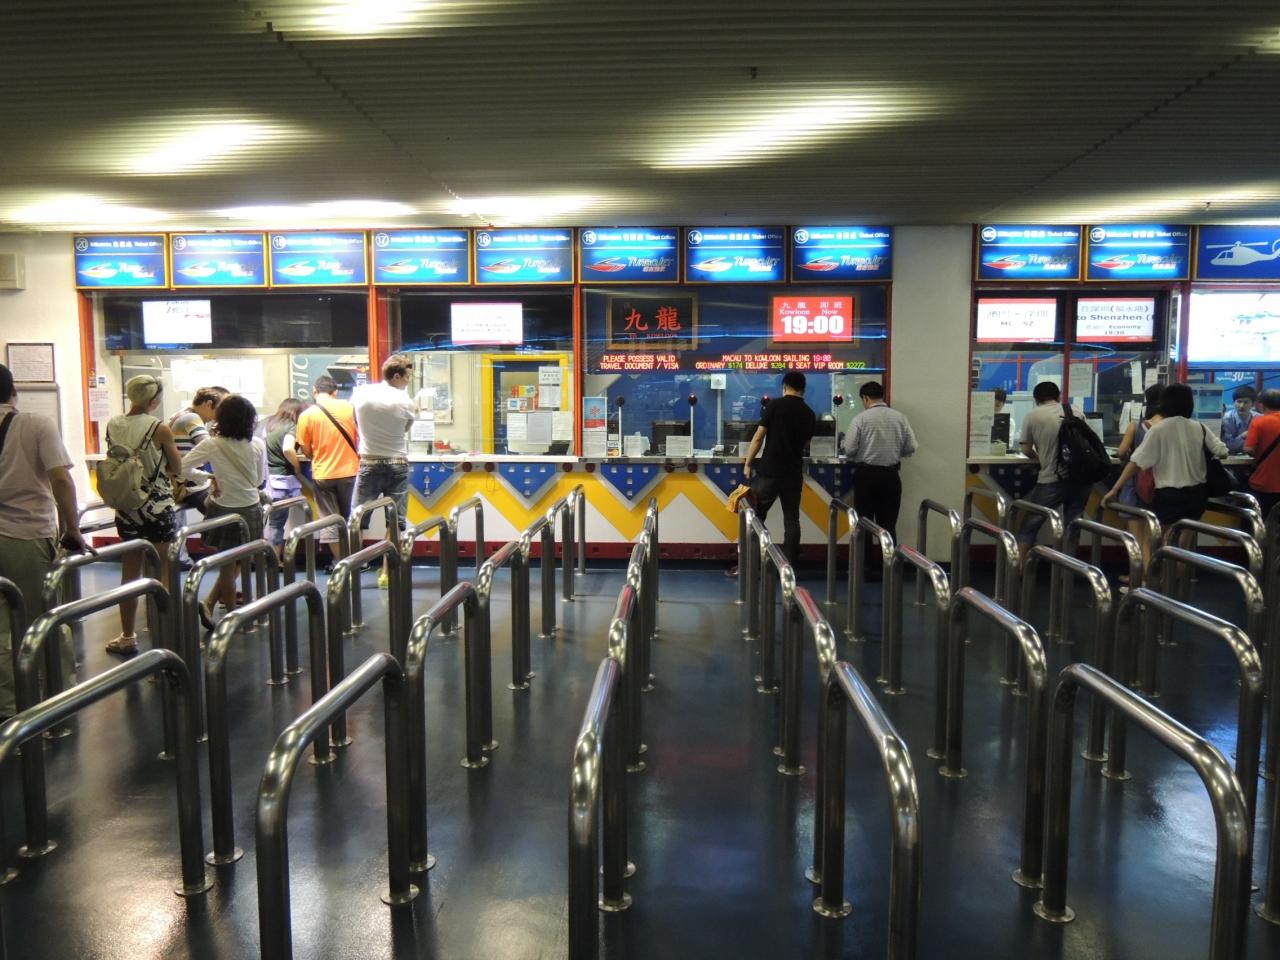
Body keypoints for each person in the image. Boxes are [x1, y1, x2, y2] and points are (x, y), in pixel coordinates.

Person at [0, 363, 88, 718]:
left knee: (2, 624)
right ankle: (57, 695)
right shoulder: (35, 424)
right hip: (25, 535)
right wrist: (72, 528)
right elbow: (60, 479)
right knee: (44, 618)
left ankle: (8, 704)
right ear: (13, 391)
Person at [105, 375, 183, 655]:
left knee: (130, 573)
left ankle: (127, 635)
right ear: (154, 400)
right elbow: (176, 466)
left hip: (128, 508)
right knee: (163, 571)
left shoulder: (113, 424)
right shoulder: (159, 427)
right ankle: (168, 634)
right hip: (158, 507)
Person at [181, 395, 267, 628]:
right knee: (244, 562)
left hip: (222, 508)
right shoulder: (257, 444)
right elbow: (259, 480)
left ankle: (225, 612)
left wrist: (209, 476)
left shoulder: (212, 444)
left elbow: (182, 467)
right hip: (250, 507)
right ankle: (232, 614)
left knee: (227, 566)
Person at [1104, 383, 1229, 526]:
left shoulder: (1158, 430)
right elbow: (1222, 451)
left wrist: (1115, 489)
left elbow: (1136, 463)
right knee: (1186, 533)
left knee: (1166, 536)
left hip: (1169, 495)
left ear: (1165, 404)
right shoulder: (1199, 427)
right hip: (1197, 494)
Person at [351, 355, 416, 588]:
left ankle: (352, 572)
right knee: (395, 522)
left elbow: (355, 421)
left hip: (369, 462)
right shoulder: (405, 400)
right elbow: (406, 428)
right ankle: (387, 573)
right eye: (407, 377)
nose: (408, 381)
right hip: (397, 463)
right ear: (397, 376)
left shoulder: (361, 393)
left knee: (357, 519)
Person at [842, 381, 917, 578]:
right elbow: (911, 447)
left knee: (864, 524)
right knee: (888, 524)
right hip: (891, 476)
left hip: (866, 476)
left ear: (866, 398)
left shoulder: (860, 419)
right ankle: (889, 568)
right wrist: (895, 451)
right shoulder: (900, 418)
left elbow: (849, 449)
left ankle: (864, 568)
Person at [742, 371, 816, 568]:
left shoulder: (774, 406)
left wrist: (748, 463)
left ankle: (751, 564)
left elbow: (758, 437)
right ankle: (788, 566)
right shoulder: (809, 413)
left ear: (784, 386)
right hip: (793, 474)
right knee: (792, 520)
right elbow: (806, 444)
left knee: (756, 517)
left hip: (770, 472)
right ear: (803, 389)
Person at [1016, 381, 1091, 556]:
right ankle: (1068, 567)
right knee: (1073, 525)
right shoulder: (1076, 411)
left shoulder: (1033, 415)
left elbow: (1026, 449)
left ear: (1036, 399)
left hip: (1052, 478)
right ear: (1058, 396)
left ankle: (1018, 566)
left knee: (1030, 524)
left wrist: (1040, 458)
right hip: (1081, 478)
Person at [295, 375, 360, 545]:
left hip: (323, 474)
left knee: (330, 522)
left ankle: (340, 559)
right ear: (335, 392)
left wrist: (317, 455)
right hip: (350, 471)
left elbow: (305, 449)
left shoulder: (306, 415)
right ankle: (355, 559)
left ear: (314, 391)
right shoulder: (350, 408)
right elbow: (360, 438)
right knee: (353, 520)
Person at [168, 386, 228, 567]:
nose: (216, 417)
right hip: (189, 484)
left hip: (181, 481)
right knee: (225, 516)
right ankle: (228, 558)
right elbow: (210, 448)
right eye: (218, 410)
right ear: (208, 404)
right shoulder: (192, 418)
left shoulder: (179, 415)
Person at [1113, 383, 1164, 569]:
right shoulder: (1170, 427)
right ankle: (1155, 577)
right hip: (1160, 486)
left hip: (1135, 486)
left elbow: (1121, 452)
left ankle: (1142, 578)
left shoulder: (1136, 426)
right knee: (1152, 538)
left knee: (1138, 540)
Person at [261, 398, 308, 551]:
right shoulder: (291, 426)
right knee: (276, 524)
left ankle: (259, 558)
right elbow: (288, 449)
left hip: (262, 480)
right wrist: (297, 467)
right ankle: (274, 559)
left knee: (261, 521)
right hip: (281, 481)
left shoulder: (265, 424)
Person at [1243, 387, 1280, 521]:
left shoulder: (1259, 422)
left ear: (1261, 405)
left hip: (1263, 482)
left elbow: (1248, 449)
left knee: (1258, 521)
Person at [1220, 384, 1256, 454]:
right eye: (1239, 401)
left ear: (1253, 404)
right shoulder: (1226, 419)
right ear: (1233, 403)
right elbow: (1227, 446)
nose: (1242, 406)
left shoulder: (1259, 418)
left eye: (1246, 402)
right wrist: (1242, 436)